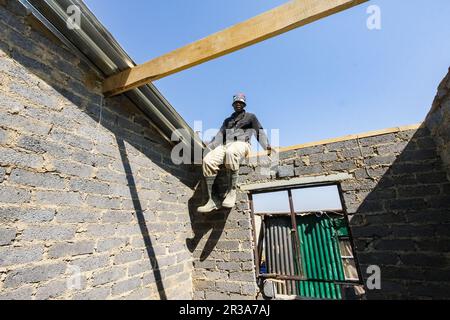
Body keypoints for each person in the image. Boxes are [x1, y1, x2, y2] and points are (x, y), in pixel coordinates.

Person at [198, 93, 272, 213]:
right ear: (233, 105)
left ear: (244, 104)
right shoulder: (227, 121)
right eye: (236, 102)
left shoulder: (250, 117)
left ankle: (232, 191)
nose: (238, 104)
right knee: (208, 160)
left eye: (241, 103)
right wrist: (208, 148)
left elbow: (259, 132)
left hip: (242, 144)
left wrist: (266, 146)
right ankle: (213, 199)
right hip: (225, 145)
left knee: (231, 152)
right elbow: (219, 136)